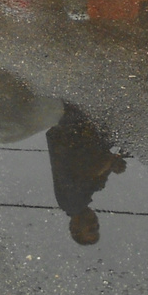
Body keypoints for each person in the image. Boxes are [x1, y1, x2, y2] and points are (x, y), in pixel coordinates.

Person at [44, 104, 126, 247]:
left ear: (74, 227)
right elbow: (95, 177)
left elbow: (86, 174)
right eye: (97, 227)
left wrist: (110, 163)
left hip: (75, 134)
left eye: (91, 228)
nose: (95, 223)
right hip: (77, 135)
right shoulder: (78, 201)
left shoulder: (73, 204)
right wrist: (111, 166)